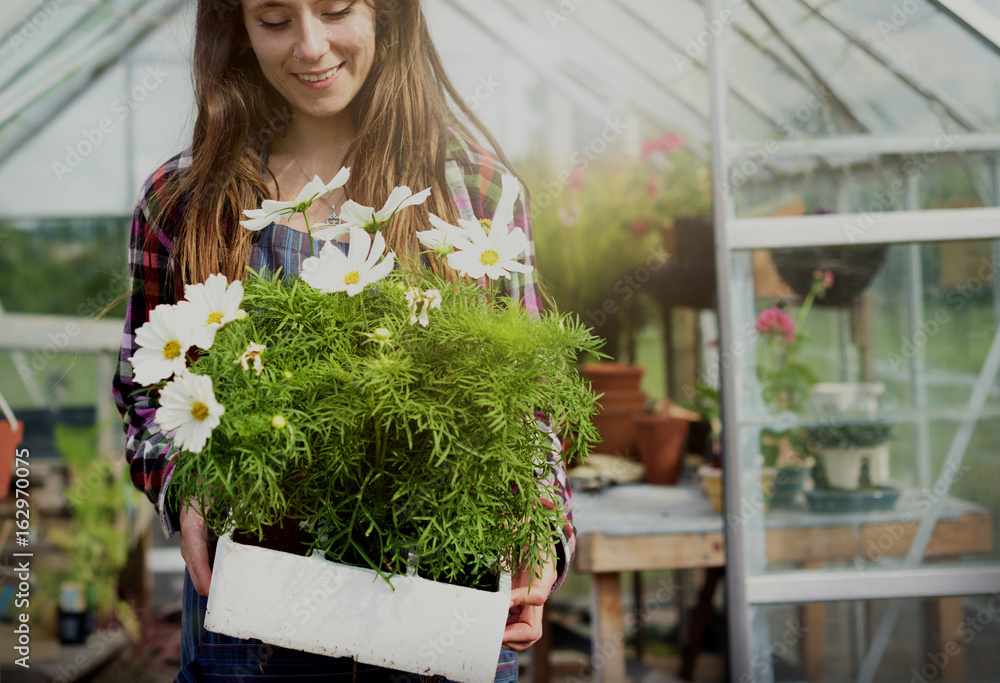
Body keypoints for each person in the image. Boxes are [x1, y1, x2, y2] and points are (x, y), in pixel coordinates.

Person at [112, 1, 575, 681]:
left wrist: (541, 536)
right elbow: (145, 393)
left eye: (334, 11)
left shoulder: (471, 188)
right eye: (274, 20)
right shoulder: (184, 198)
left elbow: (528, 408)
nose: (310, 46)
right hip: (253, 624)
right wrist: (185, 488)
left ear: (386, 13)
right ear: (234, 27)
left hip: (435, 618)